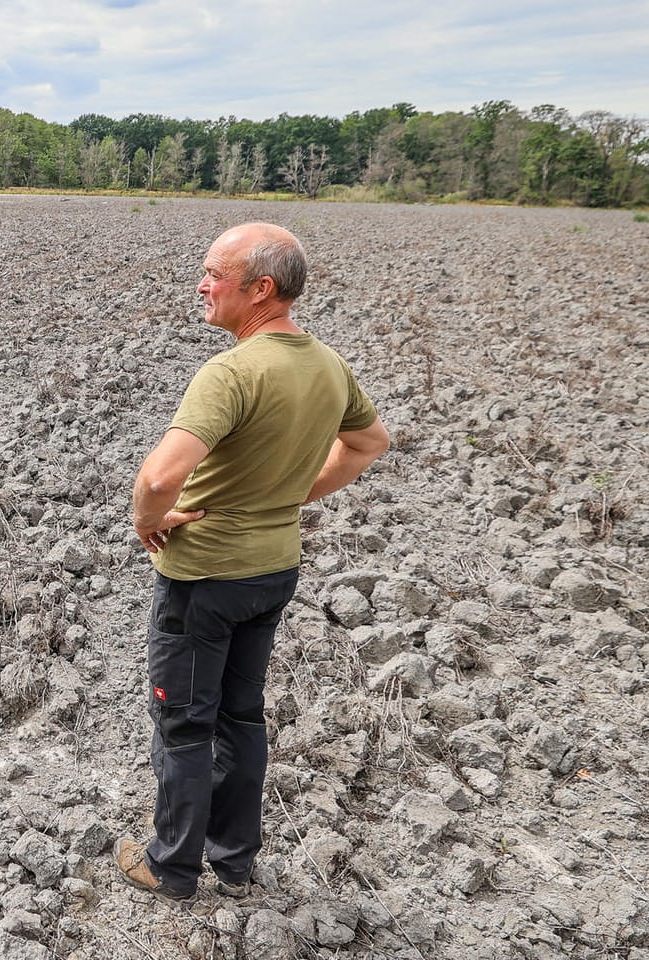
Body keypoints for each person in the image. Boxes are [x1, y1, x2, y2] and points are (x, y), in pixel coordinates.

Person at [113, 222, 390, 900]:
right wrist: (291, 494)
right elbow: (368, 442)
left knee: (183, 722)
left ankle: (171, 868)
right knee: (240, 717)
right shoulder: (326, 364)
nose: (201, 285)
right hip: (272, 574)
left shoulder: (232, 372)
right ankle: (234, 863)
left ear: (261, 289)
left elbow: (157, 479)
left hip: (204, 579)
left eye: (214, 274)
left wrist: (147, 521)